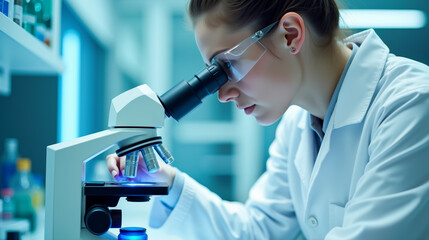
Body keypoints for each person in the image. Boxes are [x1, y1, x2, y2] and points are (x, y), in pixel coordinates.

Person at [107, 0, 429, 239]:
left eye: (225, 68)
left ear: (290, 35)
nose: (222, 93)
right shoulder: (296, 126)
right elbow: (256, 231)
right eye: (213, 74)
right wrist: (167, 184)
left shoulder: (412, 105)